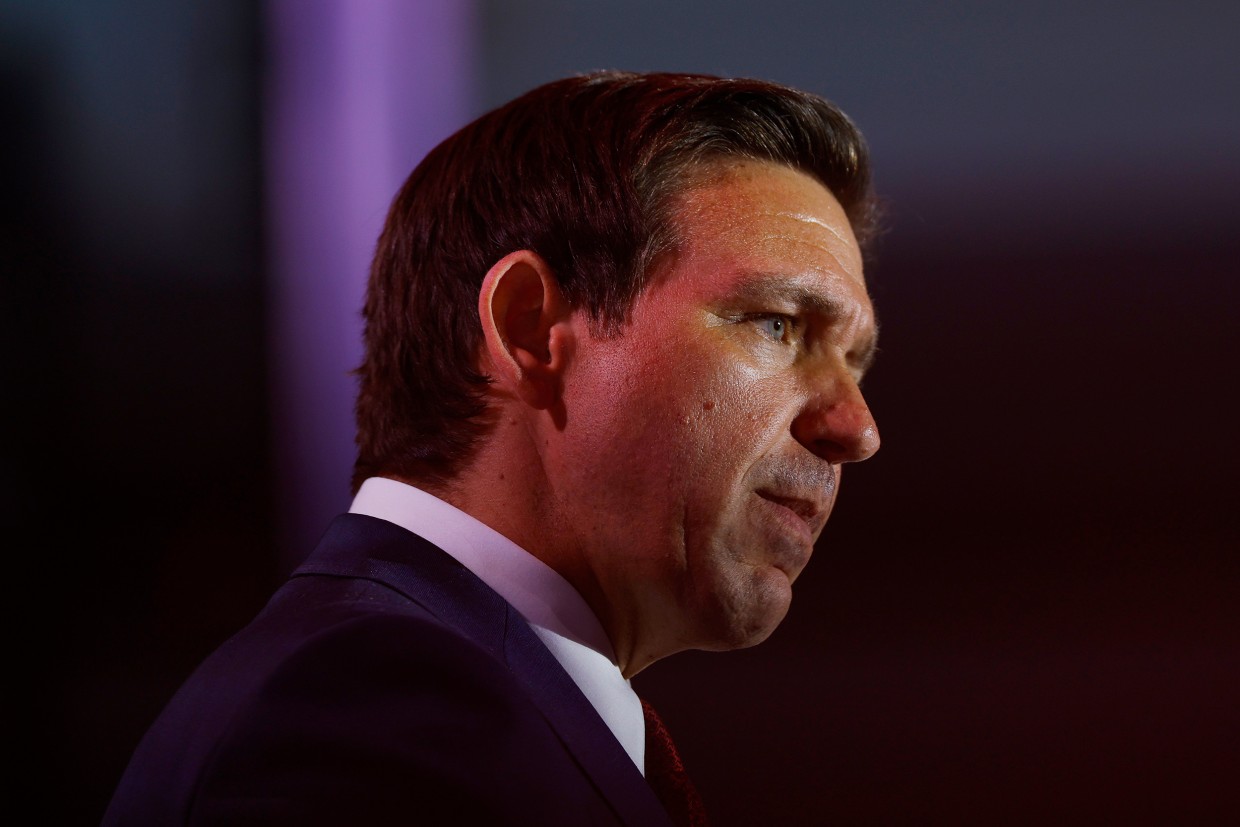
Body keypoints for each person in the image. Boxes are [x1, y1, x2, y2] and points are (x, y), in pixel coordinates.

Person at [103, 70, 882, 826]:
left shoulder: (448, 697)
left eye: (856, 362)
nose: (856, 427)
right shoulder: (369, 714)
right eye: (778, 323)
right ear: (528, 327)